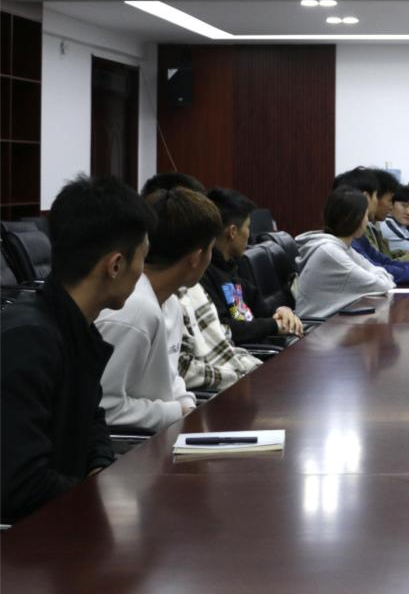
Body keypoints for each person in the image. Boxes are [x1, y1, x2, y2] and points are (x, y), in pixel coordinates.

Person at [1, 175, 153, 524]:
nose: (142, 273)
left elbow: (91, 419)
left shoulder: (74, 324)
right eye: (142, 260)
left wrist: (101, 467)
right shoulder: (29, 341)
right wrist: (105, 502)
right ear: (115, 265)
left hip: (64, 520)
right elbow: (20, 485)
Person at [96, 187, 214, 430]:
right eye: (211, 248)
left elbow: (169, 377)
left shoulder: (170, 302)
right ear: (195, 257)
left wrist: (187, 407)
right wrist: (174, 412)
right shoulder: (132, 310)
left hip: (164, 432)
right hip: (132, 447)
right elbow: (103, 409)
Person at [200, 187, 303, 346]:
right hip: (247, 355)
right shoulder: (203, 274)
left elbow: (262, 310)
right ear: (232, 232)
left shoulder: (231, 267)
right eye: (247, 227)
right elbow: (224, 328)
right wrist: (273, 325)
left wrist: (282, 311)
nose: (249, 234)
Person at [334, 168, 409, 283]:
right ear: (365, 198)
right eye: (377, 196)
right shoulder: (339, 242)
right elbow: (376, 271)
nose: (390, 206)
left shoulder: (358, 236)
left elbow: (383, 262)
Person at [295, 187, 397, 315]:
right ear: (356, 219)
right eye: (365, 215)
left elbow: (379, 274)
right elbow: (383, 286)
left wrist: (379, 274)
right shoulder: (330, 253)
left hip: (333, 321)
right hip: (317, 325)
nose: (367, 221)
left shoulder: (343, 247)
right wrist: (380, 274)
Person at [177, 281, 261, 392]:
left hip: (238, 366)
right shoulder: (205, 281)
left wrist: (278, 314)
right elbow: (182, 370)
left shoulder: (197, 287)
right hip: (218, 387)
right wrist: (274, 324)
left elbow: (223, 338)